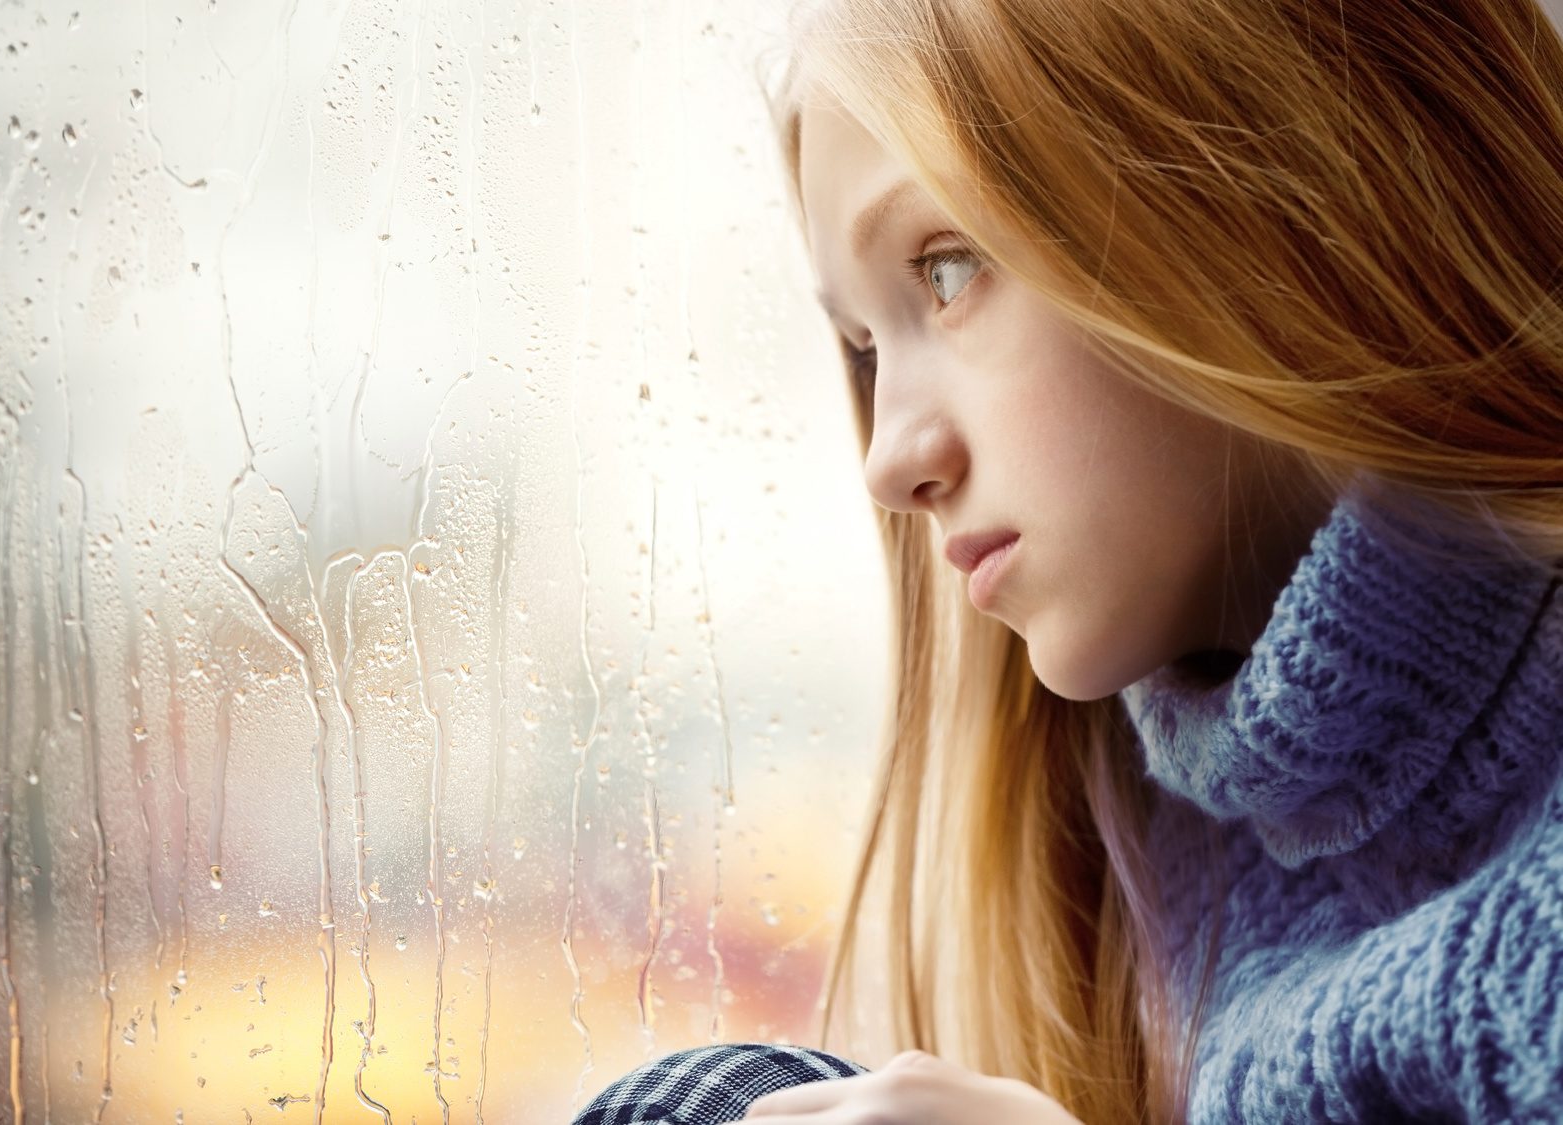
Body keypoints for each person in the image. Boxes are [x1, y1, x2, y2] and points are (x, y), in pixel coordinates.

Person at [576, 0, 1563, 1121]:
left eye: (945, 271)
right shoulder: (1154, 861)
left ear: (1272, 183)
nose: (888, 461)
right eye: (862, 348)